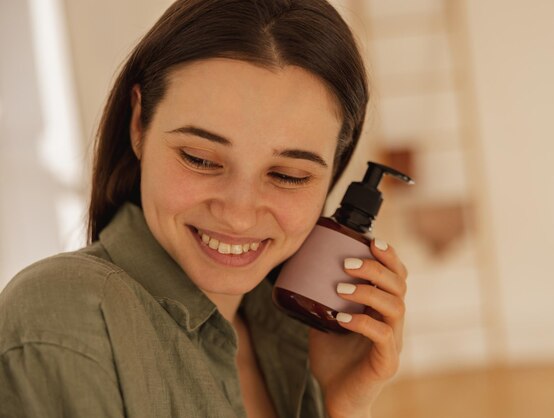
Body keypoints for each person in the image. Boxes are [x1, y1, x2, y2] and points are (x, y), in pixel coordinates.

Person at [0, 1, 408, 417]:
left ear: (333, 172)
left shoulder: (298, 343)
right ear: (139, 122)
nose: (238, 214)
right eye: (200, 158)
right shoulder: (65, 315)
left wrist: (343, 406)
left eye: (288, 176)